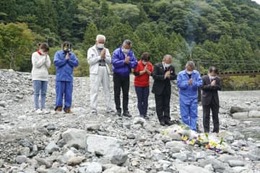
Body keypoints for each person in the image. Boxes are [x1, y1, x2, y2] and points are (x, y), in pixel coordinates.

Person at [87, 34, 113, 114]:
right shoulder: (91, 49)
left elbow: (110, 61)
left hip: (105, 69)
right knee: (94, 90)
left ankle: (109, 108)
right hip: (95, 70)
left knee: (107, 89)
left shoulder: (106, 50)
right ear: (96, 41)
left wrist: (105, 57)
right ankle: (93, 108)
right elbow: (90, 61)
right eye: (100, 42)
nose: (101, 43)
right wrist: (99, 57)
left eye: (103, 42)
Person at [112, 39, 137, 117]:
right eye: (125, 47)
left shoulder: (131, 53)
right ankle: (118, 110)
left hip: (126, 75)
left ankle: (125, 110)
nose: (126, 49)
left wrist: (128, 62)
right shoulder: (116, 52)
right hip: (117, 75)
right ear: (122, 45)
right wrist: (123, 62)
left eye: (128, 48)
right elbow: (114, 62)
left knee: (125, 93)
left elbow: (135, 63)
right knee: (117, 93)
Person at [54, 41, 79, 113]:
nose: (66, 48)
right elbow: (56, 63)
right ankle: (58, 107)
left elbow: (76, 63)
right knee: (59, 93)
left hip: (69, 77)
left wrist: (69, 60)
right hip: (60, 77)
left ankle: (67, 107)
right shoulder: (58, 53)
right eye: (65, 46)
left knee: (68, 93)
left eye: (68, 46)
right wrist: (65, 60)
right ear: (62, 47)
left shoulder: (72, 55)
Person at [177, 61, 202, 131]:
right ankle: (186, 129)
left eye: (191, 68)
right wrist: (187, 83)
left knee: (194, 114)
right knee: (184, 114)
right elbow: (179, 85)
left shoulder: (196, 73)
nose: (190, 69)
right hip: (184, 97)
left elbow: (200, 83)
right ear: (186, 66)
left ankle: (193, 129)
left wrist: (193, 83)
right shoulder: (181, 74)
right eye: (188, 67)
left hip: (193, 96)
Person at [152, 55, 177, 126]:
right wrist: (164, 76)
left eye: (170, 62)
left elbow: (174, 76)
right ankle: (161, 119)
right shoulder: (157, 66)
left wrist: (170, 76)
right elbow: (154, 76)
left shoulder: (171, 67)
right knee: (159, 104)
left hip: (167, 88)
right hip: (158, 88)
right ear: (164, 60)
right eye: (168, 61)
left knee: (167, 104)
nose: (169, 63)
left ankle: (167, 118)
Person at [31, 43, 51, 114]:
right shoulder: (34, 54)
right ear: (41, 49)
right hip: (36, 76)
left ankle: (43, 107)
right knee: (36, 93)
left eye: (46, 51)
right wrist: (43, 58)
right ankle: (37, 108)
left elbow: (48, 66)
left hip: (45, 77)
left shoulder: (47, 56)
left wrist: (46, 58)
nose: (45, 52)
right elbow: (36, 65)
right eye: (44, 51)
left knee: (44, 93)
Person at [201, 66, 221, 133]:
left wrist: (214, 86)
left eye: (215, 74)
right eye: (213, 74)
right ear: (209, 72)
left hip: (215, 99)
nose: (214, 75)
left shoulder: (217, 79)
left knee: (215, 115)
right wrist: (210, 85)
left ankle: (216, 130)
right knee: (206, 115)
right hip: (206, 99)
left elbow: (220, 87)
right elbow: (202, 87)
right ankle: (206, 130)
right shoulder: (204, 78)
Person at [134, 52, 153, 119]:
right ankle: (141, 113)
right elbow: (136, 73)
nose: (145, 62)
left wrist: (147, 71)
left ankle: (145, 113)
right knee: (140, 99)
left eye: (146, 61)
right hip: (138, 84)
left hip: (146, 84)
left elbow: (152, 74)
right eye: (144, 60)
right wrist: (144, 71)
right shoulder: (138, 64)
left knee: (145, 100)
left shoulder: (150, 64)